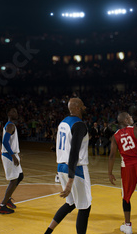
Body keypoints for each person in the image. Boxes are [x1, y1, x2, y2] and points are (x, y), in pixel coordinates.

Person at [45, 98, 91, 234]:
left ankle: (48, 232)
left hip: (61, 167)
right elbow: (74, 153)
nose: (85, 108)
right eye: (82, 105)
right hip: (76, 170)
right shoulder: (79, 125)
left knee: (70, 204)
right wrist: (71, 180)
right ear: (76, 107)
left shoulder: (63, 123)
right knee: (84, 207)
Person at [0, 108, 24, 214]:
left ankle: (7, 199)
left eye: (16, 111)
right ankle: (2, 206)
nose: (16, 113)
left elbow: (10, 142)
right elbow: (4, 142)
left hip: (12, 154)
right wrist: (13, 156)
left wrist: (16, 153)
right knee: (14, 180)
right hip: (9, 156)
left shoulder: (11, 125)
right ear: (8, 113)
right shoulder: (10, 125)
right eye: (13, 111)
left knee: (20, 176)